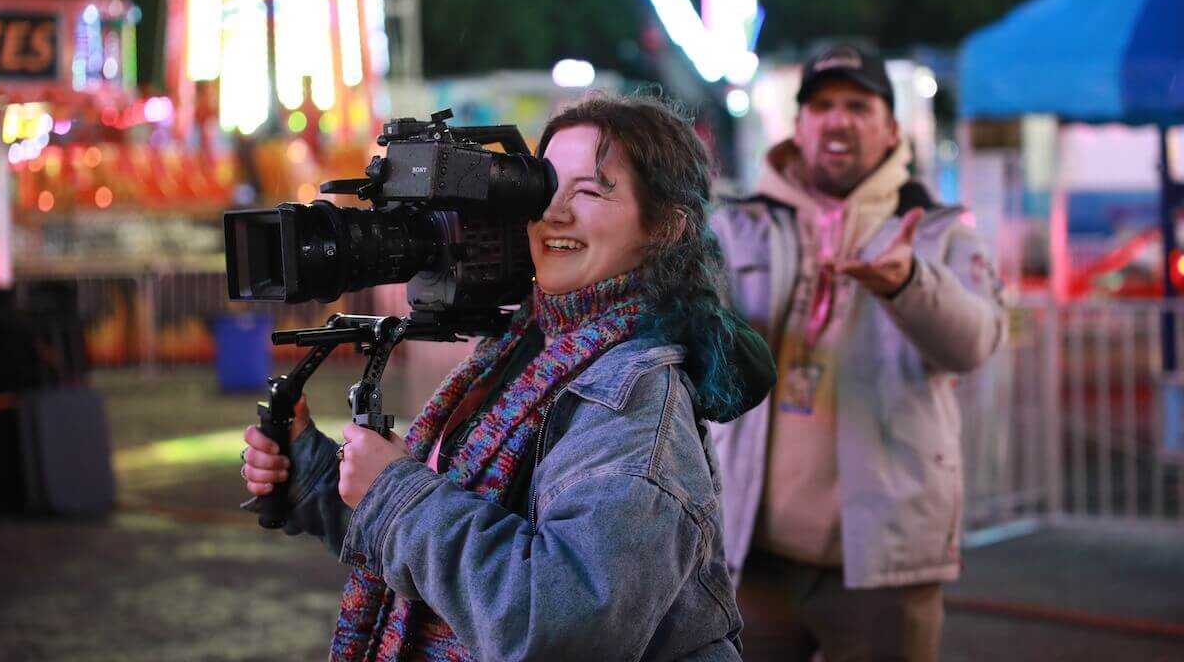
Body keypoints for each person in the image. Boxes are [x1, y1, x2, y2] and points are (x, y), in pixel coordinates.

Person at [240, 94, 775, 660]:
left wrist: (396, 493)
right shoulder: (529, 344)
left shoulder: (634, 400)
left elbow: (558, 624)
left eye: (591, 191)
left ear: (665, 226)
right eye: (544, 189)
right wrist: (318, 477)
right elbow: (457, 554)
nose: (555, 214)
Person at [710, 43, 1007, 661]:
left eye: (857, 104)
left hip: (884, 568)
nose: (837, 119)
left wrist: (907, 283)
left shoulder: (939, 230)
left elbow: (975, 343)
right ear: (799, 125)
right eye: (821, 105)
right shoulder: (738, 226)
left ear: (891, 127)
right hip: (750, 556)